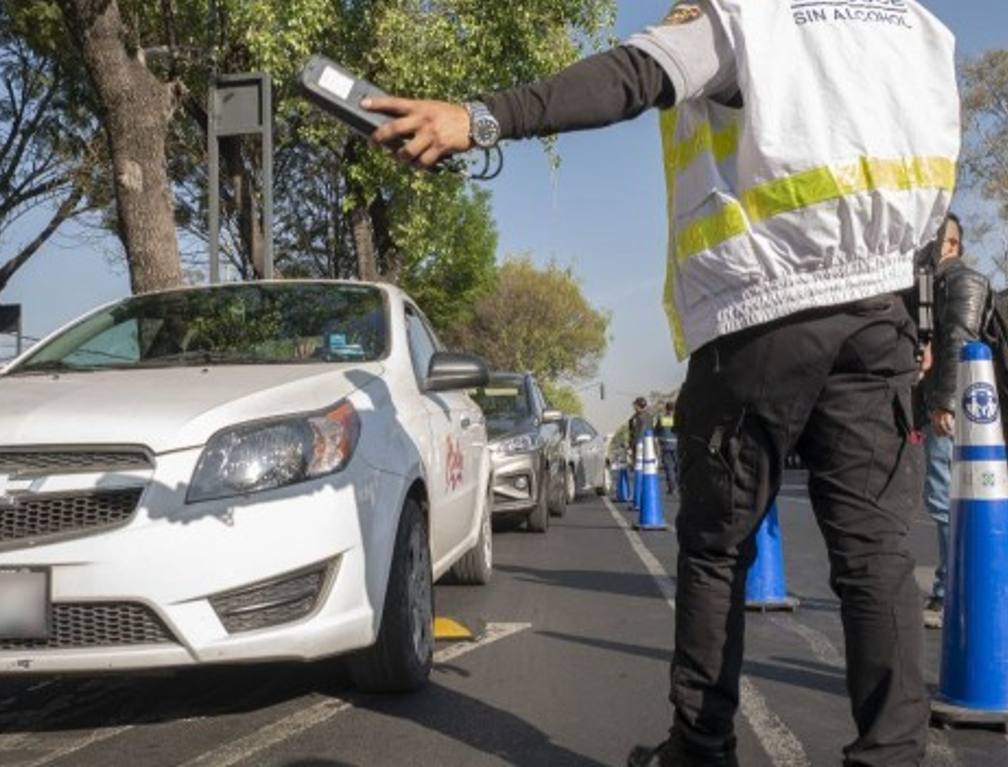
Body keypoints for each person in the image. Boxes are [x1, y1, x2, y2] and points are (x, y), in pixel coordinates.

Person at [362, 2, 959, 764]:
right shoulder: (918, 28)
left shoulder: (750, 18)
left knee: (717, 547)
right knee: (876, 557)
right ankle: (892, 754)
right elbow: (935, 188)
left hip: (761, 310)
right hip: (883, 313)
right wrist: (925, 321)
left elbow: (630, 77)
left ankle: (702, 747)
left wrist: (478, 119)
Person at [920, 214, 990, 629]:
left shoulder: (958, 281)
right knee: (954, 500)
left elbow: (960, 341)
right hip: (960, 409)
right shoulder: (938, 286)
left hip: (956, 412)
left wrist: (945, 403)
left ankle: (952, 593)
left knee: (947, 500)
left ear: (950, 245)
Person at [655, 405, 679, 495]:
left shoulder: (663, 419)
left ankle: (672, 488)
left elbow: (656, 432)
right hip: (677, 446)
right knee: (678, 467)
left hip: (666, 446)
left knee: (669, 468)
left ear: (666, 409)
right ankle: (679, 487)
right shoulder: (678, 419)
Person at [628, 396, 657, 466]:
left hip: (640, 444)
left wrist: (633, 443)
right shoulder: (650, 416)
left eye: (635, 405)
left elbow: (634, 432)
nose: (634, 407)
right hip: (649, 443)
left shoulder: (635, 418)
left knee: (640, 465)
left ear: (637, 406)